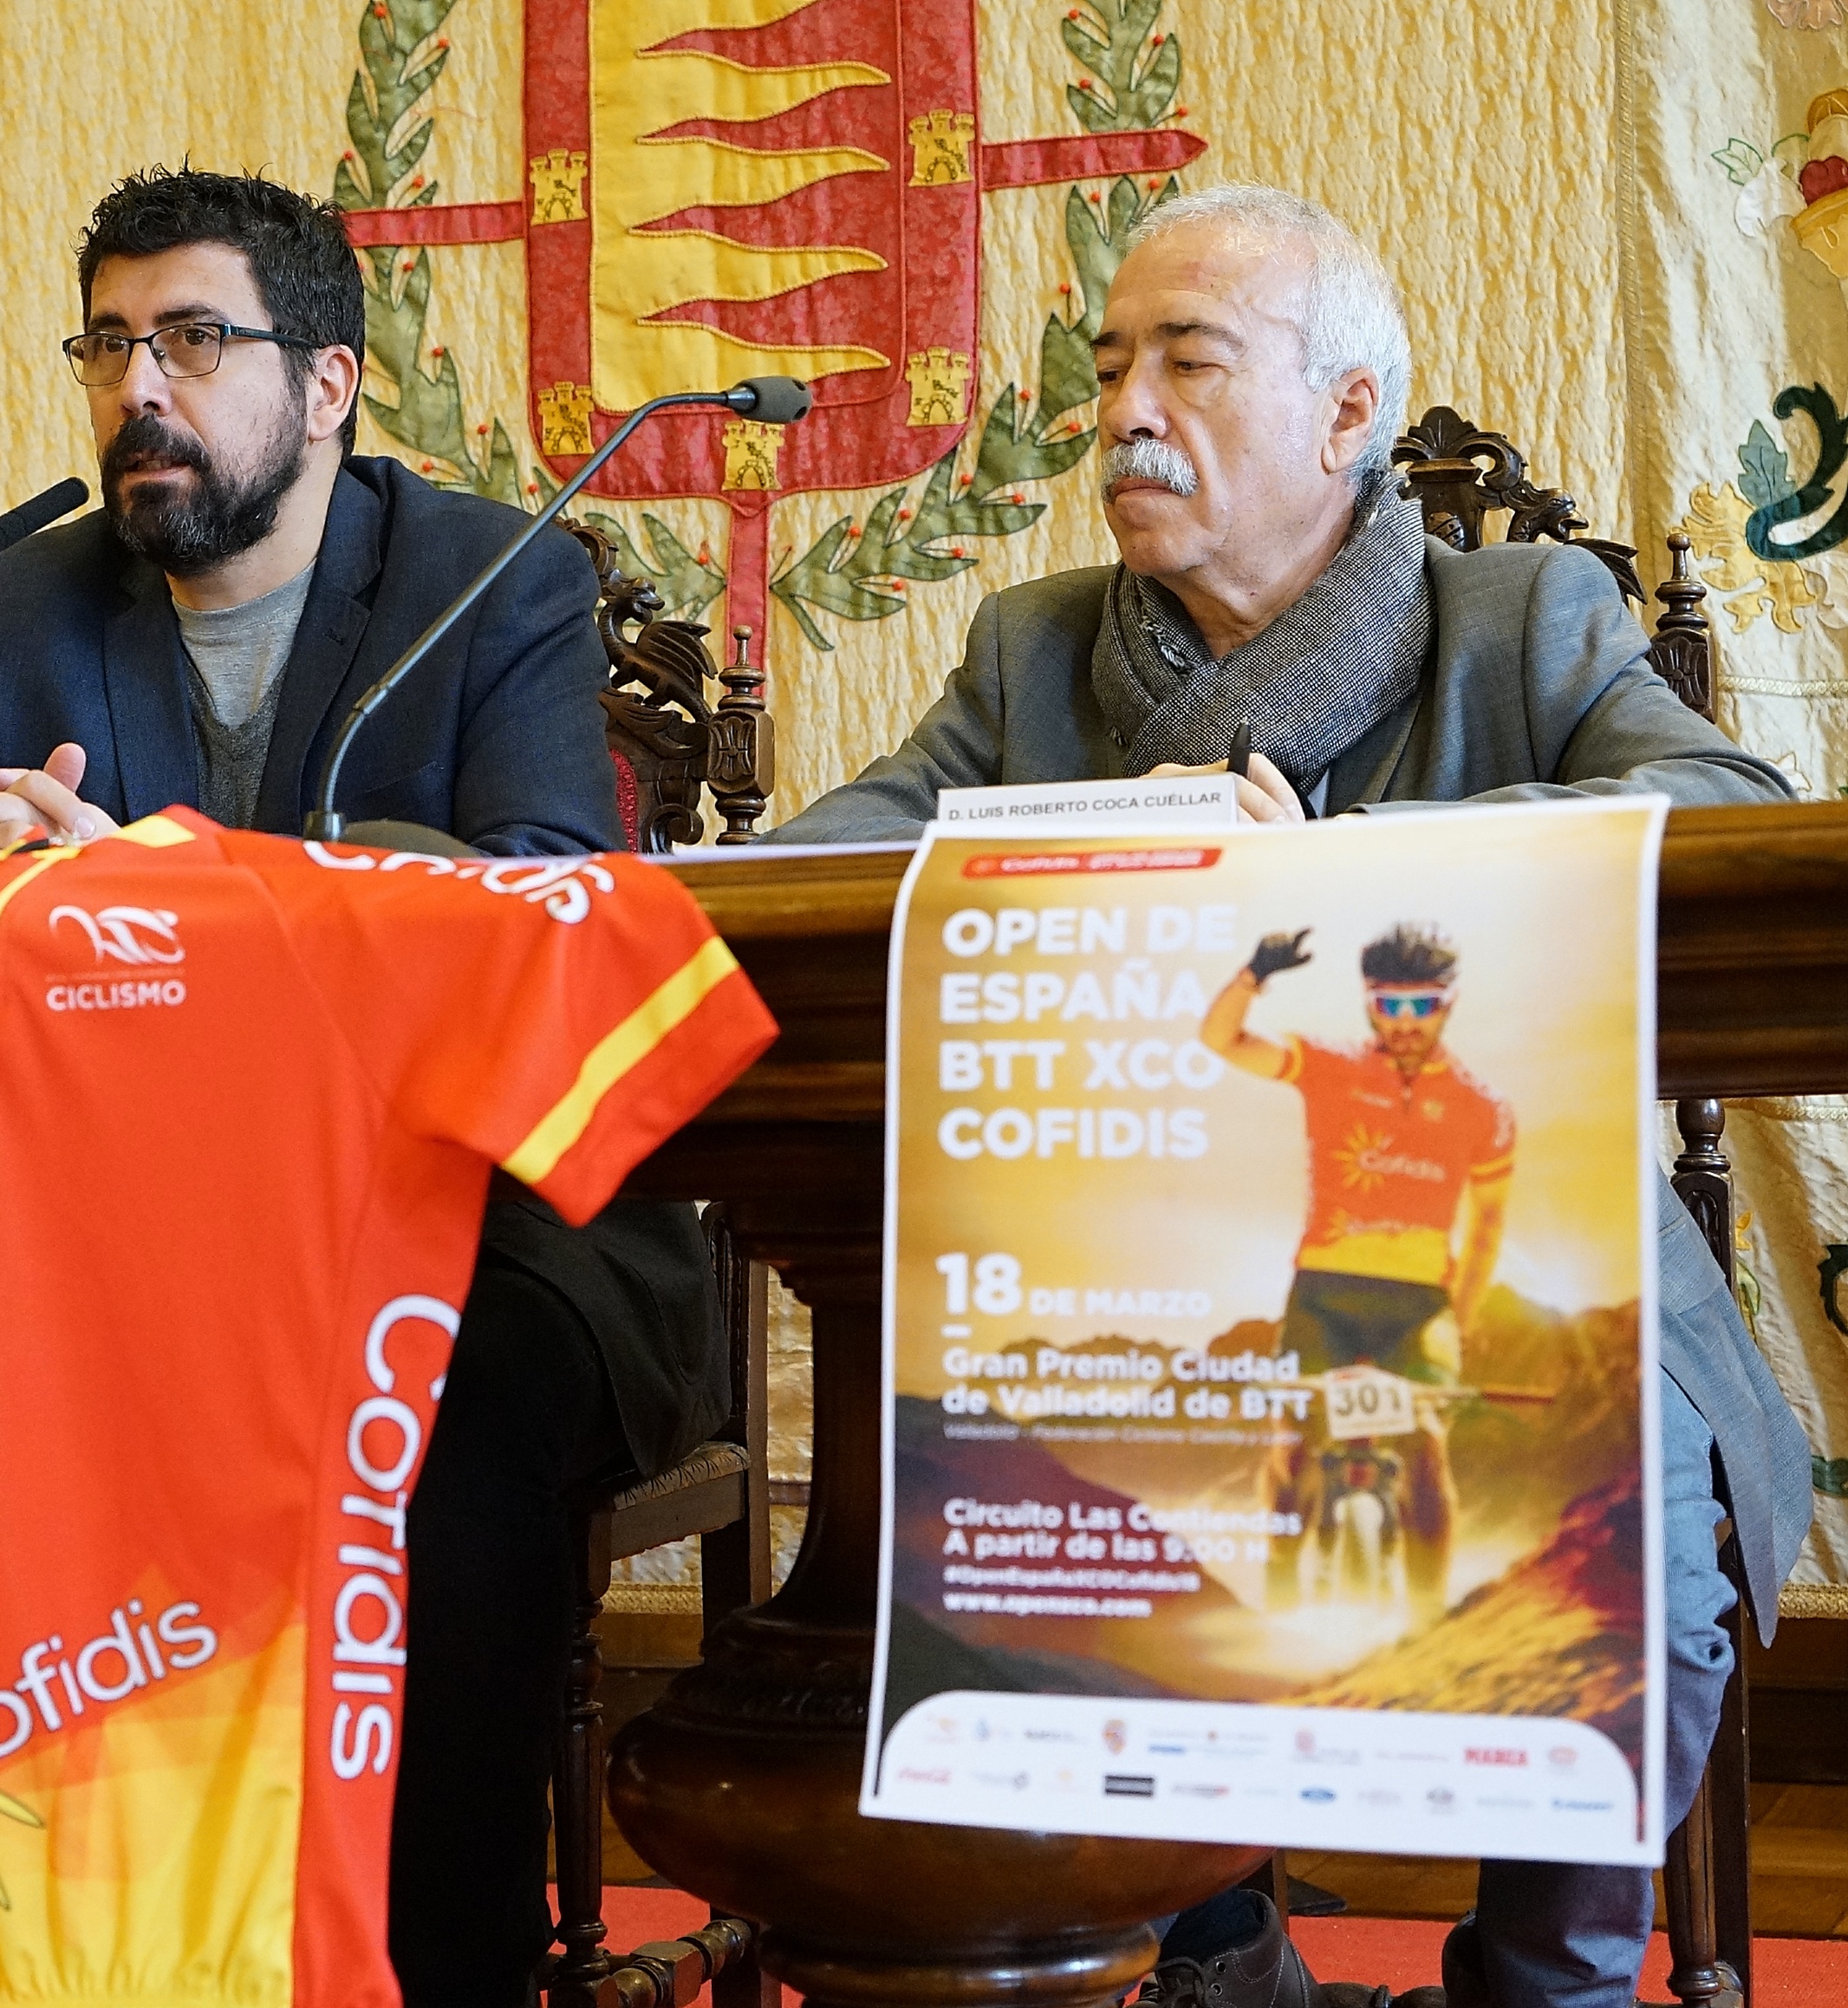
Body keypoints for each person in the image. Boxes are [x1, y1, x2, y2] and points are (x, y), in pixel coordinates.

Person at [771, 183, 1809, 2008]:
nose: (1123, 413)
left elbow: (1726, 813)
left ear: (1346, 412)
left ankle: (1539, 1987)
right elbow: (823, 871)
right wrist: (1060, 861)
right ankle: (1216, 1966)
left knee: (1631, 1528)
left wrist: (1337, 871)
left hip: (1519, 1265)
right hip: (1135, 1273)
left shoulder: (1522, 620)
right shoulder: (1031, 652)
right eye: (1109, 366)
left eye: (1188, 361)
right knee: (1036, 1481)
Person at [0, 168, 717, 2001]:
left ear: (327, 385)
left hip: (486, 1227)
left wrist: (165, 885)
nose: (136, 389)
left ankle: (441, 1972)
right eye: (107, 345)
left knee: (435, 1429)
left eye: (191, 340)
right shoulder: (5, 615)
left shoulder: (495, 578)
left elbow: (539, 903)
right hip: (126, 1241)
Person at [1201, 923, 1510, 1630]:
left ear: (1447, 1004)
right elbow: (1221, 1040)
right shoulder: (1329, 1065)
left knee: (1425, 1449)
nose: (1403, 1022)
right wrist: (1252, 975)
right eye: (1388, 1005)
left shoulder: (1482, 1106)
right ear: (1370, 1004)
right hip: (1323, 1294)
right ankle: (1279, 1607)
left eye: (1420, 1005)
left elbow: (1488, 1224)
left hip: (1418, 1307)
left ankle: (1428, 1625)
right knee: (1289, 1450)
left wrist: (1459, 1321)